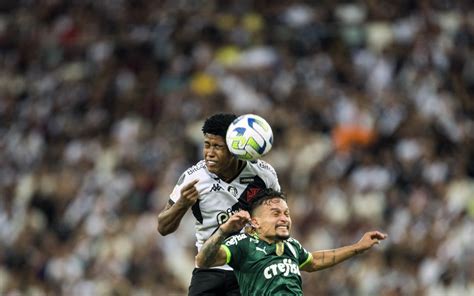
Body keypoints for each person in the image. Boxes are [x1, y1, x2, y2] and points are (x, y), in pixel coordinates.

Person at [157, 113, 281, 295]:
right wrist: (182, 204)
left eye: (217, 147)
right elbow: (163, 227)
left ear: (234, 149)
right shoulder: (193, 177)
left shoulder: (264, 175)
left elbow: (280, 218)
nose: (209, 153)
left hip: (247, 269)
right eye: (206, 145)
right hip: (209, 269)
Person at [195, 189, 388, 295]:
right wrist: (223, 231)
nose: (284, 219)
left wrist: (357, 247)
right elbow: (203, 261)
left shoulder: (292, 246)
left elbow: (314, 261)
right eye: (276, 213)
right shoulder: (243, 243)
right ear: (255, 222)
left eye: (287, 213)